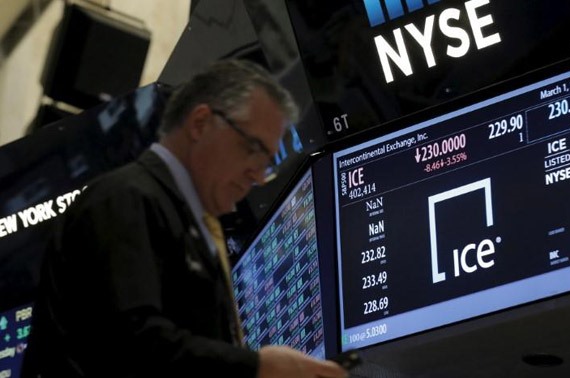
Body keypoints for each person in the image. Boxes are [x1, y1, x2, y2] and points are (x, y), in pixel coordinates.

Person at [21, 59, 348, 378]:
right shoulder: (125, 199)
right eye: (253, 149)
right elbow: (131, 344)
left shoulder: (189, 223)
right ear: (200, 123)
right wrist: (257, 367)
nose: (258, 176)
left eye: (267, 163)